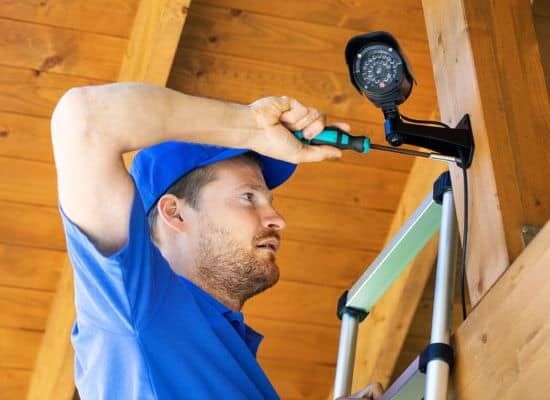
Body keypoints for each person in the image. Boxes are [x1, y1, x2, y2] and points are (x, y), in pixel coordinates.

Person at [51, 82, 383, 399]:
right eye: (249, 197)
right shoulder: (130, 305)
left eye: (269, 200)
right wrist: (250, 127)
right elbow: (85, 120)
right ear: (176, 214)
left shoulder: (229, 346)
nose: (277, 220)